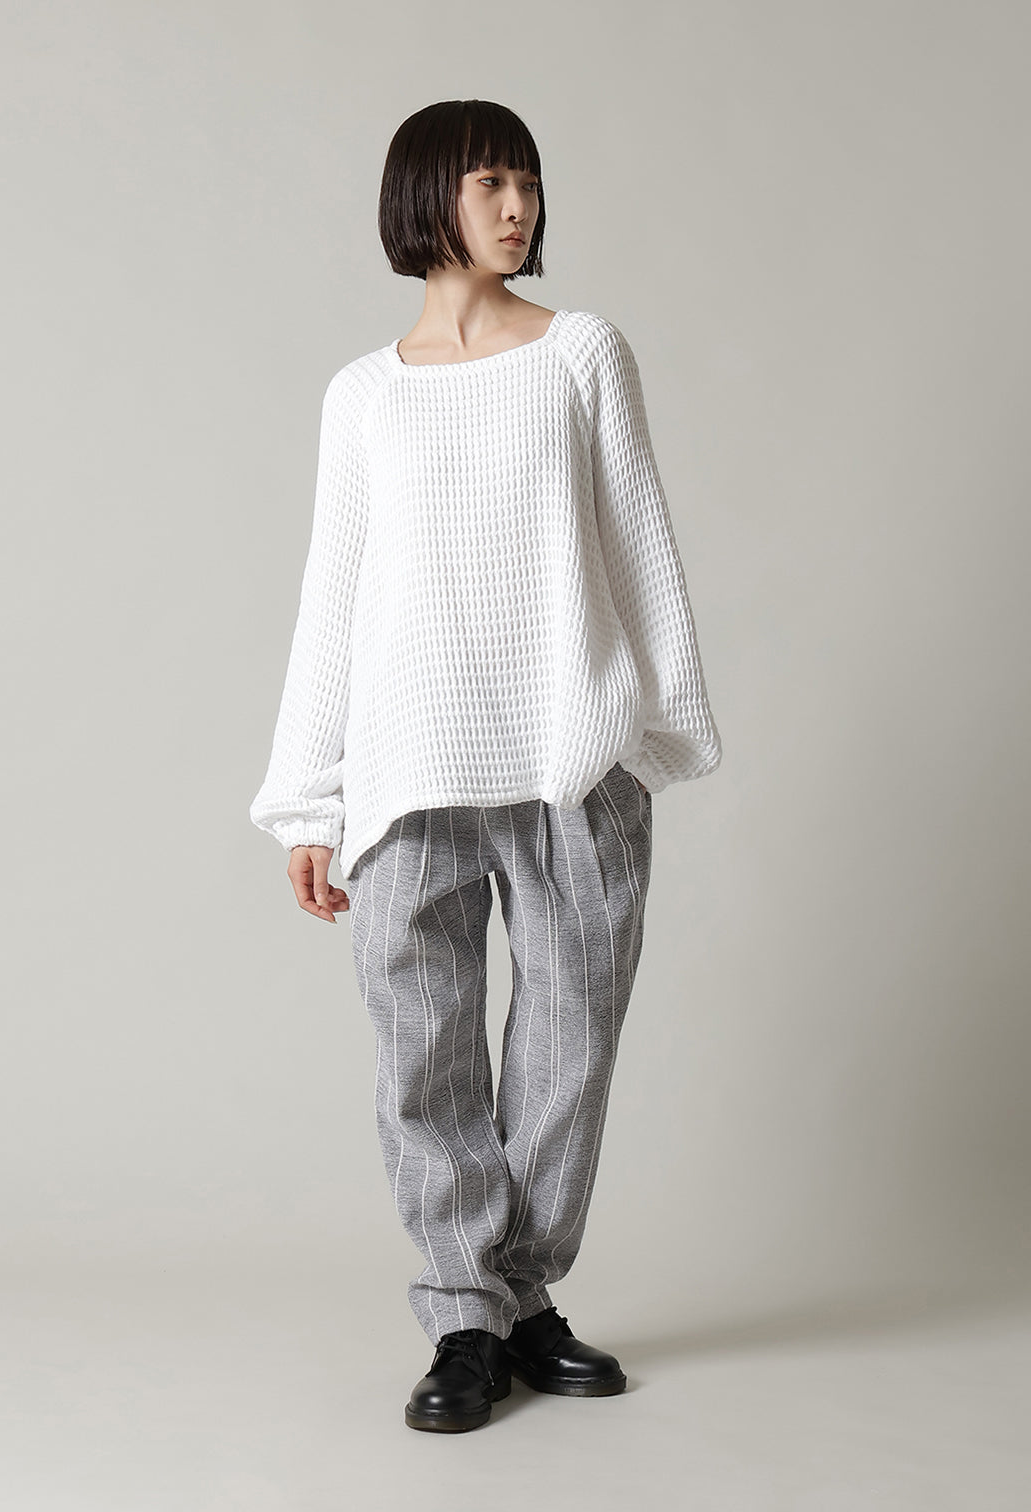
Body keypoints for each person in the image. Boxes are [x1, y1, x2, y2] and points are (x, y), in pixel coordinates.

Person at [249, 98, 722, 1433]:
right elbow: (334, 598)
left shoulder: (581, 353)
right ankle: (467, 1317)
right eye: (489, 183)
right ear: (428, 198)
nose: (518, 207)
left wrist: (656, 725)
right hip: (409, 769)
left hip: (571, 756)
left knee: (570, 1048)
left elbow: (640, 541)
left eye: (528, 181)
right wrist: (308, 800)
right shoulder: (363, 394)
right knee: (426, 1057)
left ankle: (516, 1298)